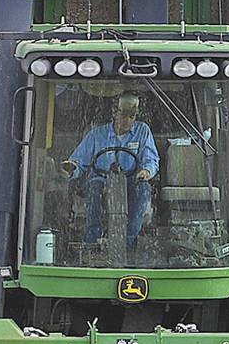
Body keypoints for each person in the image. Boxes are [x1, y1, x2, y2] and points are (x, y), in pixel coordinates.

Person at [62, 94, 159, 244]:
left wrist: (146, 171)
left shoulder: (143, 131)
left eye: (132, 116)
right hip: (101, 180)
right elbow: (79, 161)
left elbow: (150, 159)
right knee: (94, 187)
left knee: (144, 190)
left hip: (130, 181)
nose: (128, 120)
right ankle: (92, 240)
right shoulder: (96, 134)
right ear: (115, 113)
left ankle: (128, 239)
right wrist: (72, 167)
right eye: (124, 115)